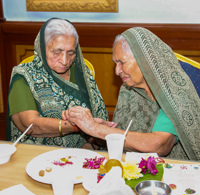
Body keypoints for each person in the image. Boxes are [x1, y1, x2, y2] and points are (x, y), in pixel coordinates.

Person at [63, 27, 200, 160]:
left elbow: (159, 145)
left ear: (144, 61)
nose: (117, 71)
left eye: (121, 62)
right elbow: (127, 137)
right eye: (115, 64)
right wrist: (99, 133)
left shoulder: (173, 94)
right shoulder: (129, 90)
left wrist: (95, 128)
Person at [6, 18, 114, 149]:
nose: (64, 61)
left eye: (70, 53)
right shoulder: (23, 76)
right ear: (41, 47)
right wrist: (77, 125)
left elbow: (99, 118)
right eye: (57, 52)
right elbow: (30, 125)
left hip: (83, 153)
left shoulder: (82, 74)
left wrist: (90, 146)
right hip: (37, 154)